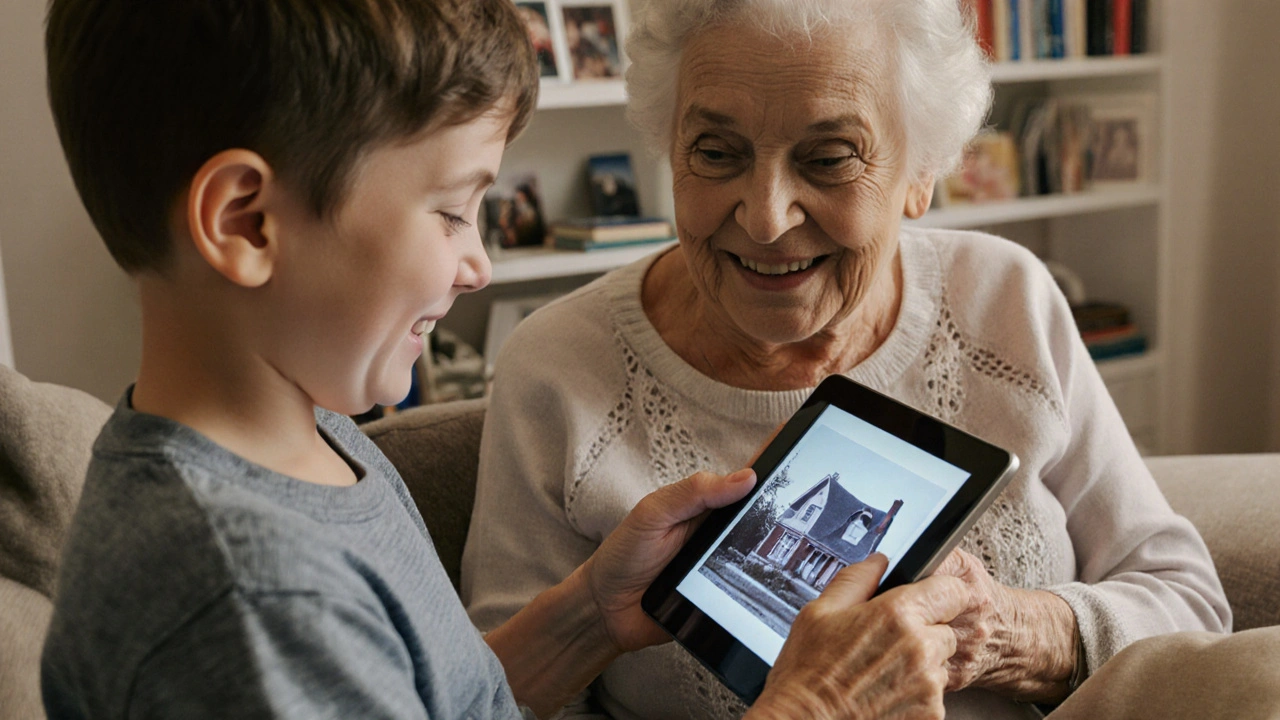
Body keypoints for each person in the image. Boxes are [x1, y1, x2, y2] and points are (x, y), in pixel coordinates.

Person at [38, 0, 973, 718]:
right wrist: (814, 705)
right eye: (452, 210)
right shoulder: (249, 601)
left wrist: (591, 616)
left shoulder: (311, 440)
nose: (479, 263)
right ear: (247, 222)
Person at [462, 0, 1232, 717]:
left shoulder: (1005, 298)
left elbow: (1187, 599)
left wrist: (1001, 633)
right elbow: (488, 701)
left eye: (829, 158)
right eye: (716, 152)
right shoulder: (558, 368)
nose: (766, 218)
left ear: (920, 174)